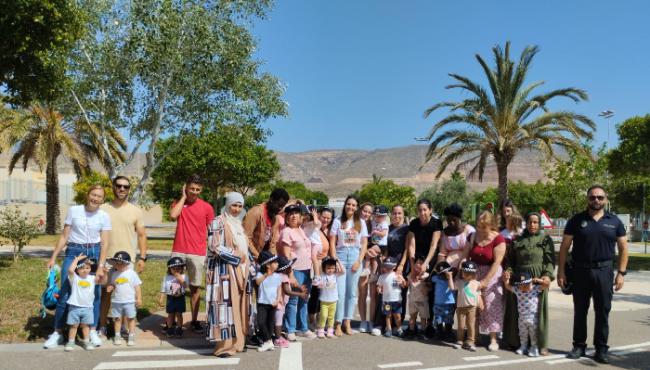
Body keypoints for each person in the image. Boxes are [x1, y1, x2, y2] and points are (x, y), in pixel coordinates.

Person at [557, 185, 628, 364]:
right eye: (592, 197)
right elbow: (564, 247)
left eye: (600, 197)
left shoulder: (615, 221)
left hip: (604, 271)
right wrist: (561, 271)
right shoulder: (576, 220)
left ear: (605, 199)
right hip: (580, 271)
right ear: (587, 199)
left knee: (602, 311)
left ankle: (601, 349)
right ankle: (579, 345)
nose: (596, 200)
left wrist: (621, 273)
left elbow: (623, 248)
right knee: (580, 310)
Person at [45, 184, 111, 349]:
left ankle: (93, 330)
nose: (95, 198)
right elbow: (64, 236)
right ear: (87, 194)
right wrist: (53, 257)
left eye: (99, 196)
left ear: (103, 200)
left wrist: (101, 265)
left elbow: (105, 243)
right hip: (74, 251)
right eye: (93, 195)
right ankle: (58, 332)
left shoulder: (104, 216)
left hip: (94, 253)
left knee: (94, 293)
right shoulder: (74, 211)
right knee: (66, 291)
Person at [99, 175, 148, 337]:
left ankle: (126, 329)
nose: (122, 189)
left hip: (127, 262)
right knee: (105, 295)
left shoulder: (135, 211)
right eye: (119, 186)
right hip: (106, 260)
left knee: (126, 296)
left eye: (125, 187)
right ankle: (102, 327)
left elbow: (141, 235)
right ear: (113, 187)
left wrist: (142, 257)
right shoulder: (102, 209)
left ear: (129, 190)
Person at [503, 212, 555, 354]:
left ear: (539, 224)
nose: (533, 225)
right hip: (519, 280)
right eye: (530, 222)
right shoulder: (518, 240)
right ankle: (515, 342)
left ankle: (540, 344)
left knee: (538, 313)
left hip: (539, 280)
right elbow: (510, 261)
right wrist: (508, 271)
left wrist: (547, 276)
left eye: (536, 222)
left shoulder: (545, 239)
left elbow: (550, 261)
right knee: (517, 312)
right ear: (526, 223)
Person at [206, 192, 251, 357]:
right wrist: (237, 255)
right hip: (222, 272)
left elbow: (244, 248)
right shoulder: (217, 221)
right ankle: (222, 347)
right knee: (223, 308)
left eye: (240, 206)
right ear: (227, 205)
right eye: (234, 205)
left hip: (237, 271)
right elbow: (215, 246)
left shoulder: (237, 224)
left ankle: (237, 343)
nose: (237, 209)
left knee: (237, 308)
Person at [169, 174, 215, 332]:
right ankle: (174, 322)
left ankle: (194, 321)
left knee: (195, 288)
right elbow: (173, 215)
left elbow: (212, 231)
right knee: (175, 286)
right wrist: (183, 197)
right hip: (179, 250)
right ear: (186, 188)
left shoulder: (207, 207)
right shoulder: (178, 203)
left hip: (198, 252)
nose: (194, 192)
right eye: (191, 189)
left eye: (197, 190)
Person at [464, 210, 506, 351]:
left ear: (491, 225)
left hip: (492, 274)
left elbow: (497, 262)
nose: (481, 230)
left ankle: (493, 338)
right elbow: (465, 257)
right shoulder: (471, 236)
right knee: (473, 304)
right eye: (479, 226)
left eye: (484, 227)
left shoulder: (498, 239)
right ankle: (474, 336)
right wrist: (463, 273)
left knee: (490, 306)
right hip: (474, 274)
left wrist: (486, 281)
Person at [329, 195, 368, 336]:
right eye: (348, 204)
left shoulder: (361, 223)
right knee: (340, 292)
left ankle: (347, 322)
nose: (350, 207)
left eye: (353, 205)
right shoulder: (337, 221)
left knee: (351, 293)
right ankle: (337, 323)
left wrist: (359, 260)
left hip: (354, 257)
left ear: (356, 207)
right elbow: (332, 242)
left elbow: (364, 244)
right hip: (340, 256)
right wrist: (335, 260)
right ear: (345, 205)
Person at [278, 203, 318, 340]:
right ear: (286, 217)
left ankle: (303, 327)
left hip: (306, 270)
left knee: (304, 299)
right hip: (295, 270)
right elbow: (286, 256)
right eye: (291, 214)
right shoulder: (286, 232)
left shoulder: (300, 230)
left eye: (296, 213)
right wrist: (290, 274)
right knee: (293, 300)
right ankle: (290, 329)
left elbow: (315, 224)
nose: (294, 216)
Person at [406, 199, 442, 337]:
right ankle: (412, 326)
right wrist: (413, 263)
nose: (422, 212)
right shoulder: (414, 223)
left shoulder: (436, 223)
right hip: (417, 259)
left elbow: (434, 245)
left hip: (431, 259)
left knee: (430, 292)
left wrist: (426, 263)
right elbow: (411, 245)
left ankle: (429, 325)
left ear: (430, 210)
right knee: (416, 292)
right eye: (420, 210)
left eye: (425, 209)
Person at [64, 255, 106, 351]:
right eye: (82, 268)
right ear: (77, 270)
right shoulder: (74, 278)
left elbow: (102, 281)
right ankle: (71, 342)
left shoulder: (92, 278)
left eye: (87, 268)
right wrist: (76, 260)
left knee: (86, 326)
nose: (85, 270)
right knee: (74, 326)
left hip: (88, 308)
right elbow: (70, 270)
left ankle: (87, 342)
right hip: (74, 307)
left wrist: (104, 273)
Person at [504, 271, 549, 357]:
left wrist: (539, 280)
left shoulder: (535, 289)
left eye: (526, 285)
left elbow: (546, 285)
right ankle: (523, 346)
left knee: (533, 334)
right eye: (521, 285)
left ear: (531, 282)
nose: (523, 287)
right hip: (521, 317)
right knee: (522, 333)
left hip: (533, 317)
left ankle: (534, 347)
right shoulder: (518, 290)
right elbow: (507, 286)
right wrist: (506, 280)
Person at [105, 251, 142, 346]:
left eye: (120, 262)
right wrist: (111, 287)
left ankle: (131, 336)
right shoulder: (114, 274)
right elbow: (113, 284)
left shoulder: (132, 274)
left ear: (127, 263)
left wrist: (139, 298)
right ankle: (117, 335)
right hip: (117, 301)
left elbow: (137, 287)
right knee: (117, 319)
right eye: (116, 262)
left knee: (131, 318)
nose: (118, 265)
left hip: (129, 301)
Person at [243, 188, 290, 258]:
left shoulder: (275, 218)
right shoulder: (256, 212)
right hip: (247, 256)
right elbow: (245, 237)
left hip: (261, 258)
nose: (280, 209)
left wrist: (272, 259)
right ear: (271, 199)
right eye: (279, 205)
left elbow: (272, 244)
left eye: (282, 206)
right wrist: (258, 256)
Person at [308, 207, 334, 331]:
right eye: (324, 217)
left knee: (324, 294)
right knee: (315, 293)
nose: (326, 220)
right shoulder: (313, 227)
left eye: (329, 218)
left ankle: (321, 319)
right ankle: (312, 319)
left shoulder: (330, 231)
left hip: (326, 266)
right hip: (315, 265)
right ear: (318, 215)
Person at [275, 256, 307, 348]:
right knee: (278, 321)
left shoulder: (281, 276)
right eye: (289, 267)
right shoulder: (284, 277)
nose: (291, 269)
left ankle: (278, 335)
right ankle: (278, 338)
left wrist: (300, 287)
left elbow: (292, 285)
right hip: (280, 303)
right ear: (284, 269)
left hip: (280, 303)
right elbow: (287, 291)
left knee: (278, 320)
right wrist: (299, 294)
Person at [451, 260, 483, 352]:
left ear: (474, 274)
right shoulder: (459, 282)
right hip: (461, 307)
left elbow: (478, 294)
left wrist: (481, 302)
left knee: (470, 325)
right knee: (460, 326)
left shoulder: (477, 283)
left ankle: (471, 341)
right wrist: (449, 277)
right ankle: (460, 340)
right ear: (462, 272)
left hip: (472, 307)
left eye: (471, 273)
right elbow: (452, 287)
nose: (468, 275)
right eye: (466, 272)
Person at [255, 251, 282, 352]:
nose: (277, 264)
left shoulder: (278, 276)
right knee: (261, 322)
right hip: (262, 303)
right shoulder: (260, 274)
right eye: (275, 263)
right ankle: (268, 341)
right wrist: (266, 274)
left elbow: (279, 289)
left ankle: (268, 342)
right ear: (267, 265)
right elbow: (257, 282)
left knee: (270, 323)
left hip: (273, 303)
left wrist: (277, 300)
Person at [436, 203, 476, 271]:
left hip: (466, 266)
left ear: (459, 218)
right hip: (448, 267)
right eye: (449, 220)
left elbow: (474, 251)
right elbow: (442, 254)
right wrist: (440, 268)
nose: (451, 222)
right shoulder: (444, 233)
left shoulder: (469, 230)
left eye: (454, 220)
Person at [376, 257, 406, 337]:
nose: (388, 268)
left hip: (397, 300)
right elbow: (379, 286)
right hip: (386, 300)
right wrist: (378, 289)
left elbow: (404, 285)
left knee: (397, 315)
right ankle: (389, 330)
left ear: (394, 267)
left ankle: (399, 329)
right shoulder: (382, 276)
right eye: (386, 266)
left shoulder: (397, 275)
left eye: (390, 267)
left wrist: (402, 282)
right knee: (388, 315)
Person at [357, 202, 375, 333]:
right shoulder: (355, 223)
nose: (367, 214)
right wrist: (364, 253)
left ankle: (372, 321)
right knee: (362, 292)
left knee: (373, 293)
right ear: (360, 210)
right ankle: (363, 321)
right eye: (365, 211)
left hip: (374, 262)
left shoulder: (374, 224)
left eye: (369, 212)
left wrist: (373, 250)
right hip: (360, 261)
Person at [159, 257, 188, 338]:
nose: (176, 270)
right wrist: (161, 298)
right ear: (169, 269)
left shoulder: (184, 276)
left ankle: (179, 328)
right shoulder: (167, 277)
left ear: (182, 268)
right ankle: (170, 328)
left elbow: (186, 286)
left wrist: (181, 280)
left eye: (179, 268)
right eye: (174, 268)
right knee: (170, 314)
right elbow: (163, 288)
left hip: (180, 298)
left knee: (179, 314)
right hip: (170, 298)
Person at [313, 257, 341, 338]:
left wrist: (338, 261)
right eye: (328, 268)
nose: (331, 270)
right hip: (324, 300)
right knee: (323, 315)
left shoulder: (336, 275)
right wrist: (318, 283)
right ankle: (321, 329)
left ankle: (330, 329)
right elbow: (315, 283)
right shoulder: (322, 276)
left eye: (332, 268)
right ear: (324, 268)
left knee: (331, 316)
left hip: (333, 300)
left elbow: (343, 271)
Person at [403, 257, 431, 340]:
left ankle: (422, 332)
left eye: (422, 263)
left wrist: (426, 285)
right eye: (418, 263)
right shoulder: (410, 275)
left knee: (423, 318)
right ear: (414, 265)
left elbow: (430, 287)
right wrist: (402, 282)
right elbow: (406, 285)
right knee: (412, 317)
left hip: (423, 300)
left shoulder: (426, 275)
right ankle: (411, 331)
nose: (419, 265)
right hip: (412, 300)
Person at [431, 261, 455, 341]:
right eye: (441, 273)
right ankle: (439, 333)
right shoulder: (436, 278)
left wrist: (450, 276)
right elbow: (431, 276)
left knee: (449, 319)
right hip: (438, 303)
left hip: (449, 303)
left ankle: (448, 333)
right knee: (438, 318)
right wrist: (436, 270)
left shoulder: (452, 278)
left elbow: (453, 287)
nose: (443, 275)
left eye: (444, 272)